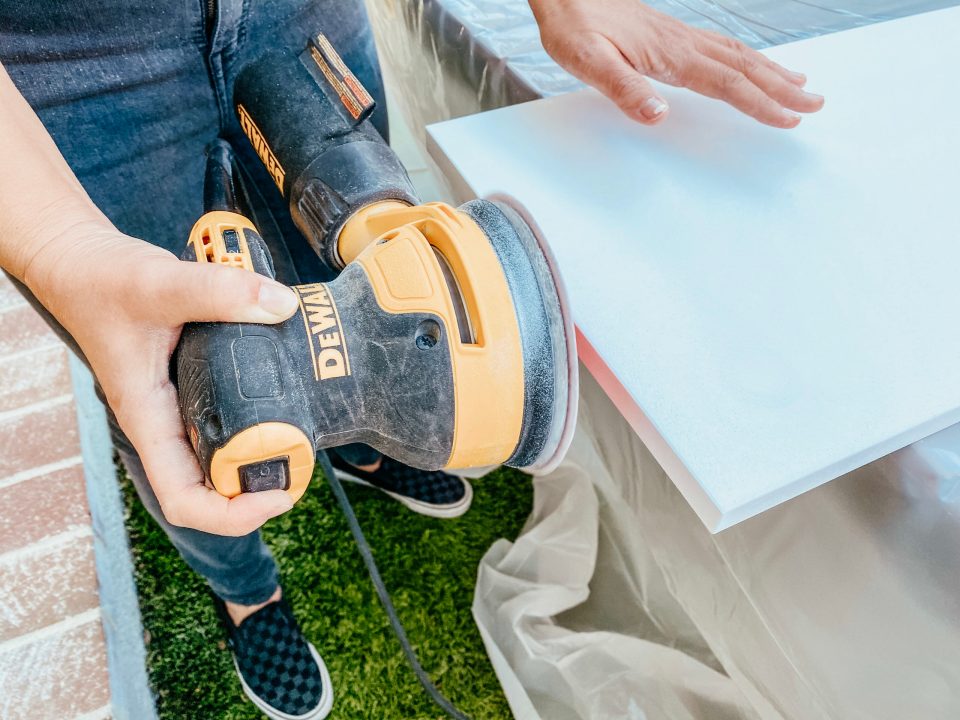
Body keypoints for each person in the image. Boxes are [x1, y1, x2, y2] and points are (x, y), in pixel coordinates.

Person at [0, 1, 823, 718]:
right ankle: (248, 592)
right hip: (64, 69)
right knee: (171, 397)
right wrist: (58, 244)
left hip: (300, 12)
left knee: (361, 241)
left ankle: (363, 442)